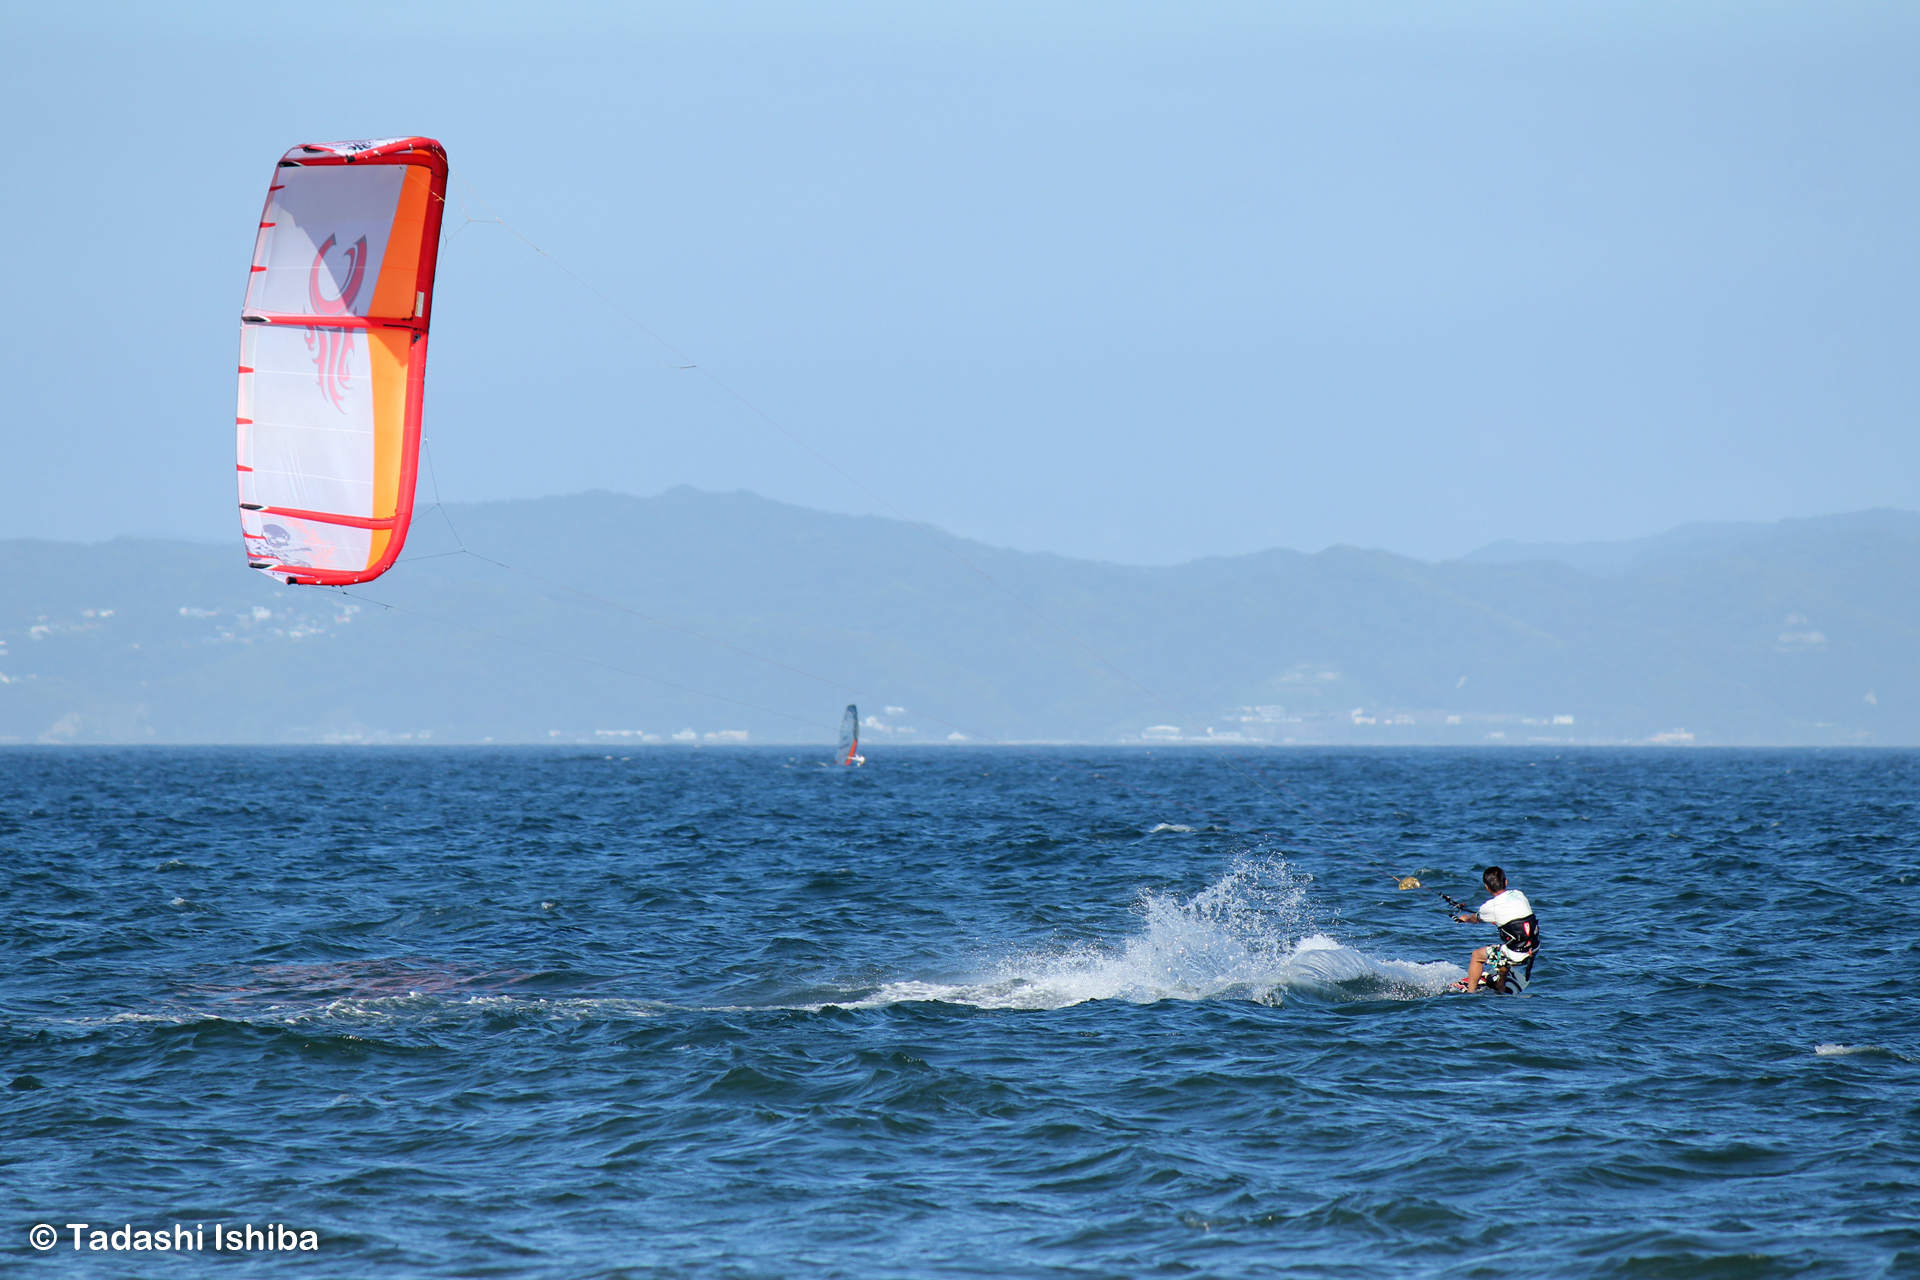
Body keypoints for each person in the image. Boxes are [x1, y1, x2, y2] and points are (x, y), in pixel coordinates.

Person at [1449, 866, 1540, 994]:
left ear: (1487, 887)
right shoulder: (1519, 894)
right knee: (1503, 947)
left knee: (1476, 955)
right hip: (1534, 948)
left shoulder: (1490, 906)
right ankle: (1500, 984)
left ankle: (1471, 992)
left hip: (1517, 953)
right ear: (1506, 882)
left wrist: (1464, 918)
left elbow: (1475, 919)